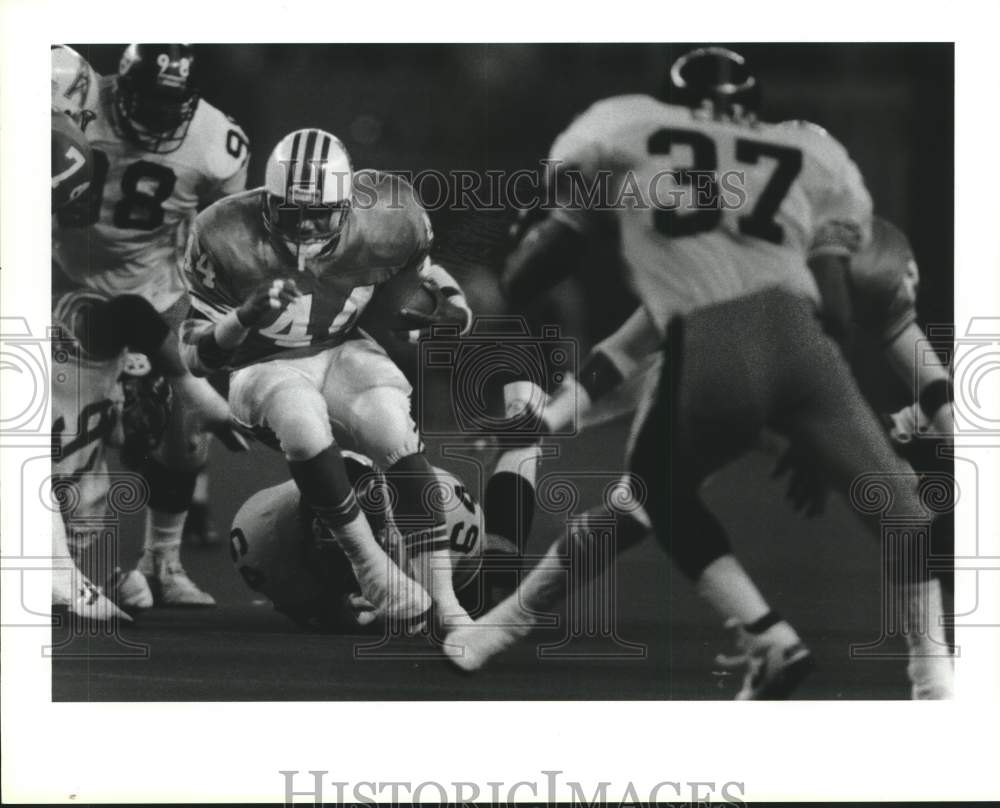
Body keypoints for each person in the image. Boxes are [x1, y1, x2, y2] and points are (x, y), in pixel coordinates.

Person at [446, 47, 951, 699]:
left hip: (717, 351)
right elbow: (829, 309)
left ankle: (769, 639)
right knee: (903, 512)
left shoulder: (633, 138)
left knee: (647, 494)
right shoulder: (812, 179)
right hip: (806, 356)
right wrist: (817, 428)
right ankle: (934, 680)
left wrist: (547, 238)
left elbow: (597, 318)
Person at [180, 127, 474, 631]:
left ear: (348, 202)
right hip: (263, 362)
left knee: (390, 428)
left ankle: (446, 603)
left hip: (341, 349)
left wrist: (454, 303)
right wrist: (243, 319)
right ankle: (372, 569)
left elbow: (422, 268)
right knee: (299, 419)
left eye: (321, 213)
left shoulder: (388, 212)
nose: (307, 228)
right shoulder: (222, 231)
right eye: (292, 213)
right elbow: (195, 357)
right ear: (268, 202)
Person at [52, 44, 250, 606]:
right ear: (121, 84)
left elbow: (225, 236)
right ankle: (76, 563)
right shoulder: (78, 98)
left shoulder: (217, 140)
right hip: (67, 280)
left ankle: (163, 561)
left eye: (174, 104)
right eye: (150, 100)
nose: (162, 117)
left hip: (156, 291)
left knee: (182, 437)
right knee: (72, 438)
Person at [230, 388, 539, 631]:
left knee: (498, 597)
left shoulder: (424, 530)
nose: (333, 539)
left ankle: (525, 430)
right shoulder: (261, 533)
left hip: (444, 534)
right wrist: (340, 612)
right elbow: (309, 613)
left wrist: (405, 612)